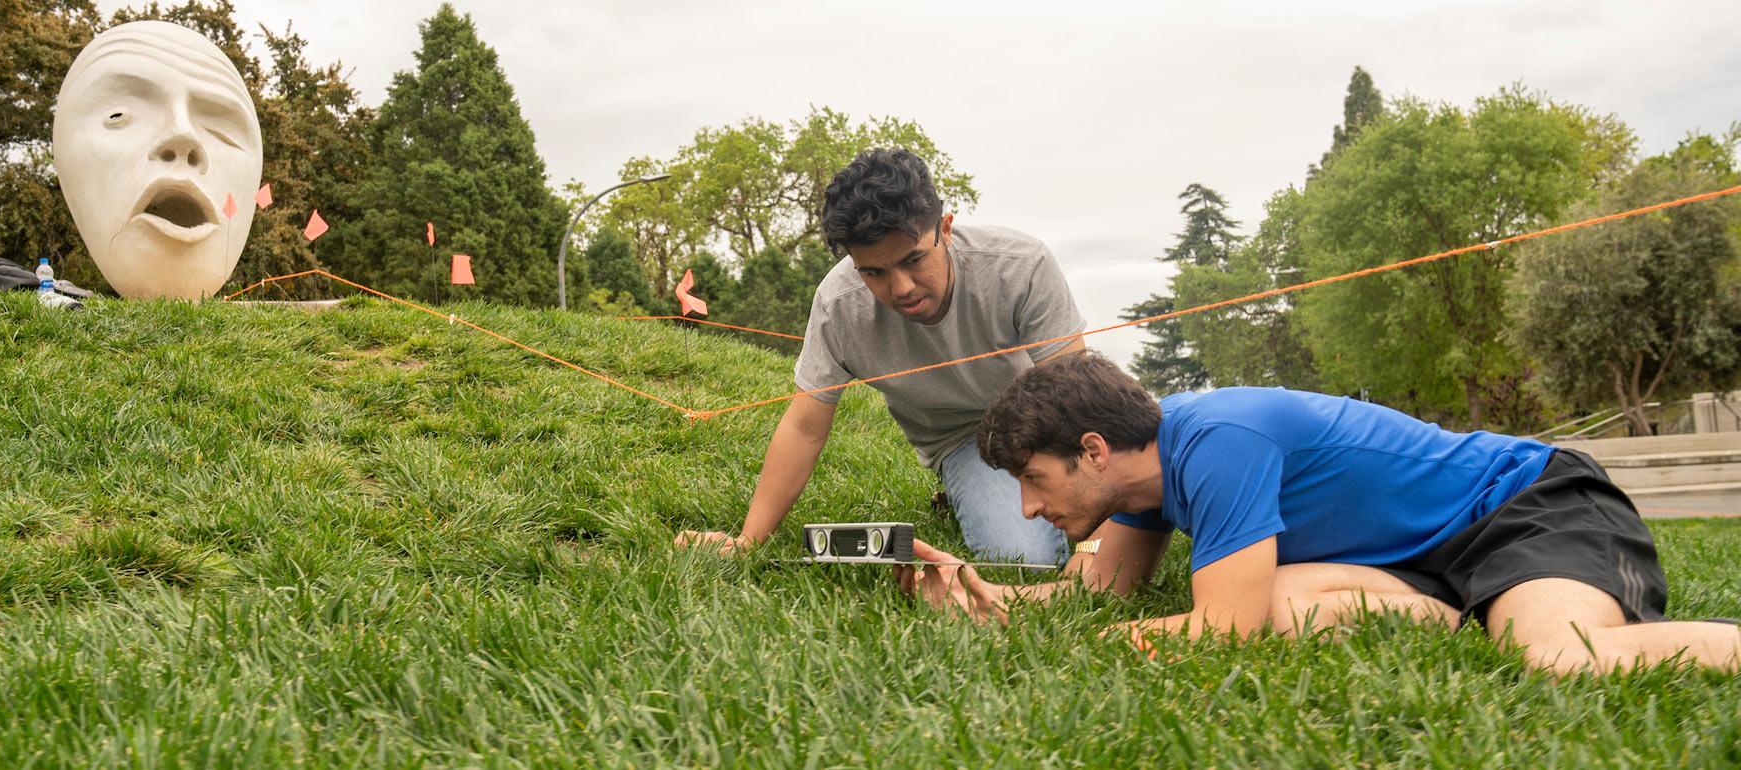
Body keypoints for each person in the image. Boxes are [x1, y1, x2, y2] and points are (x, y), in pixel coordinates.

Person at [898, 350, 1741, 674]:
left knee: (1560, 661)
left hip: (1525, 505)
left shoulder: (1219, 439)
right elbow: (1100, 596)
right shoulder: (1143, 479)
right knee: (1284, 609)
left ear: (1091, 451)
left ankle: (1524, 613)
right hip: (1425, 560)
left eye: (1033, 480)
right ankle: (1475, 615)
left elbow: (1217, 631)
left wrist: (1080, 653)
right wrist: (982, 598)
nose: (1027, 505)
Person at [674, 148, 1087, 564]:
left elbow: (1073, 395)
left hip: (1041, 420)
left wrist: (1098, 533)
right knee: (1022, 560)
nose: (902, 287)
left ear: (944, 228)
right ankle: (970, 488)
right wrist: (749, 540)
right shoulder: (838, 306)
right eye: (874, 272)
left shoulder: (1021, 265)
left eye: (914, 259)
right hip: (964, 441)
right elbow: (804, 427)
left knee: (1101, 505)